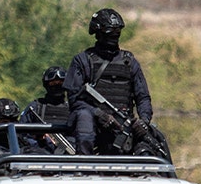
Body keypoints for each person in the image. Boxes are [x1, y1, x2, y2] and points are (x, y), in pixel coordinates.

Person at [64, 8, 154, 155]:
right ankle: (84, 166)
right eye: (109, 32)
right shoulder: (83, 60)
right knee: (83, 116)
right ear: (98, 32)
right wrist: (98, 114)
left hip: (122, 126)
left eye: (116, 32)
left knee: (150, 147)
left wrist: (143, 120)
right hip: (92, 125)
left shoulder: (129, 62)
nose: (114, 36)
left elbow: (143, 97)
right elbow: (74, 99)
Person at [20, 66, 75, 154]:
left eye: (60, 82)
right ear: (46, 84)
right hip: (39, 155)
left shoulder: (73, 108)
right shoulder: (35, 107)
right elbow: (22, 135)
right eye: (53, 83)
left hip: (68, 156)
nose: (57, 85)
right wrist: (39, 139)